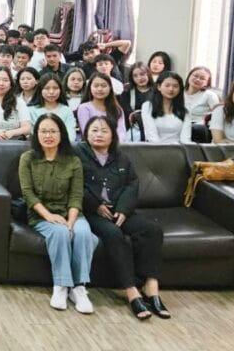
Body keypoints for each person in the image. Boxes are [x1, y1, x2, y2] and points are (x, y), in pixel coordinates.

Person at [76, 116, 170, 320]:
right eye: (94, 130)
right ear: (86, 133)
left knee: (152, 230)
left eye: (104, 131)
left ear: (113, 135)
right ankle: (131, 291)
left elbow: (132, 184)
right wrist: (96, 206)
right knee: (113, 234)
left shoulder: (121, 157)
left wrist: (123, 209)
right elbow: (76, 185)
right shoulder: (77, 154)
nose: (98, 134)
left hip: (119, 210)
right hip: (92, 212)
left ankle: (151, 286)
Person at [19, 114, 98, 313]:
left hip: (71, 213)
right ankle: (61, 286)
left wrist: (71, 221)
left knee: (83, 233)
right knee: (60, 233)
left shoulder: (73, 161)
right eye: (44, 131)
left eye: (53, 131)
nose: (48, 135)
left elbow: (76, 195)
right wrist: (49, 216)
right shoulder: (27, 158)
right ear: (36, 134)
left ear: (61, 134)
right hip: (41, 214)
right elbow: (28, 194)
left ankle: (79, 288)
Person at [141, 71, 191, 143]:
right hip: (155, 147)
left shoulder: (185, 109)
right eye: (167, 85)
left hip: (179, 148)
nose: (171, 89)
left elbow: (185, 138)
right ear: (159, 87)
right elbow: (151, 135)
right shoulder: (148, 106)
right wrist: (163, 149)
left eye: (175, 86)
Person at [76, 73, 127, 141]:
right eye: (96, 86)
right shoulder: (84, 108)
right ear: (90, 88)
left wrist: (113, 143)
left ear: (110, 87)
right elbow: (86, 131)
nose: (100, 89)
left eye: (103, 86)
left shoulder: (117, 109)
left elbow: (121, 132)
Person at [29, 73, 78, 138]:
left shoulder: (66, 110)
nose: (51, 92)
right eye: (47, 88)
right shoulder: (31, 110)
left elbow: (70, 136)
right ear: (40, 90)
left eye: (55, 88)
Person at [183, 66, 220, 142]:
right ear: (189, 76)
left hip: (199, 128)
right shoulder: (179, 92)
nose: (197, 79)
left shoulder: (210, 96)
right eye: (195, 76)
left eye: (202, 78)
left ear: (207, 82)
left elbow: (218, 115)